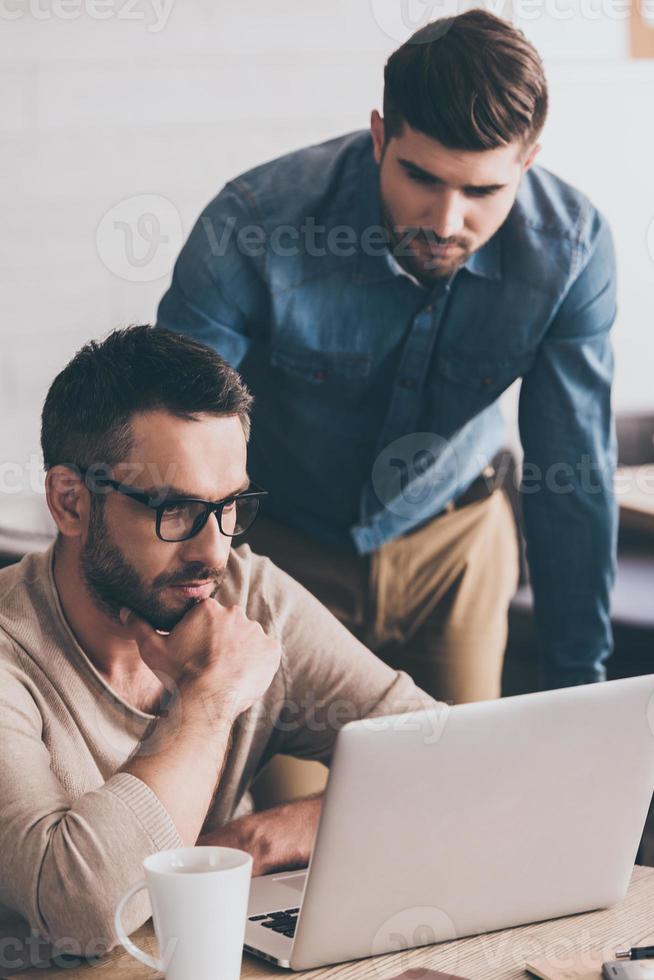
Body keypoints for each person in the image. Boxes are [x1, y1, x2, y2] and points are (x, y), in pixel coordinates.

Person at [157, 9, 618, 704]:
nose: (444, 221)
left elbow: (572, 475)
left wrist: (580, 690)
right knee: (291, 810)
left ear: (527, 162)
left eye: (482, 191)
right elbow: (172, 441)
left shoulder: (572, 253)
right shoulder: (251, 226)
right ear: (380, 137)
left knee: (462, 792)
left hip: (457, 548)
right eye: (422, 177)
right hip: (283, 554)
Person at [0, 325, 433, 971]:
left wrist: (258, 838)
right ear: (70, 502)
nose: (214, 552)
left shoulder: (248, 591)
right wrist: (209, 699)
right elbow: (84, 913)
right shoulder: (13, 655)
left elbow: (437, 752)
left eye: (231, 505)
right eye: (174, 511)